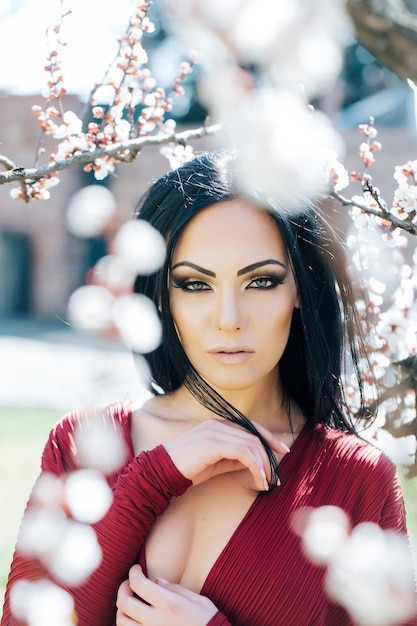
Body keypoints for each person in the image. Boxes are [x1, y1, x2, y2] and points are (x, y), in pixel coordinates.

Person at [2, 151, 416, 626]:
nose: (229, 319)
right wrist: (150, 481)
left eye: (261, 282)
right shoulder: (83, 443)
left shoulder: (356, 479)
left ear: (299, 288)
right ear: (163, 294)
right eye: (195, 284)